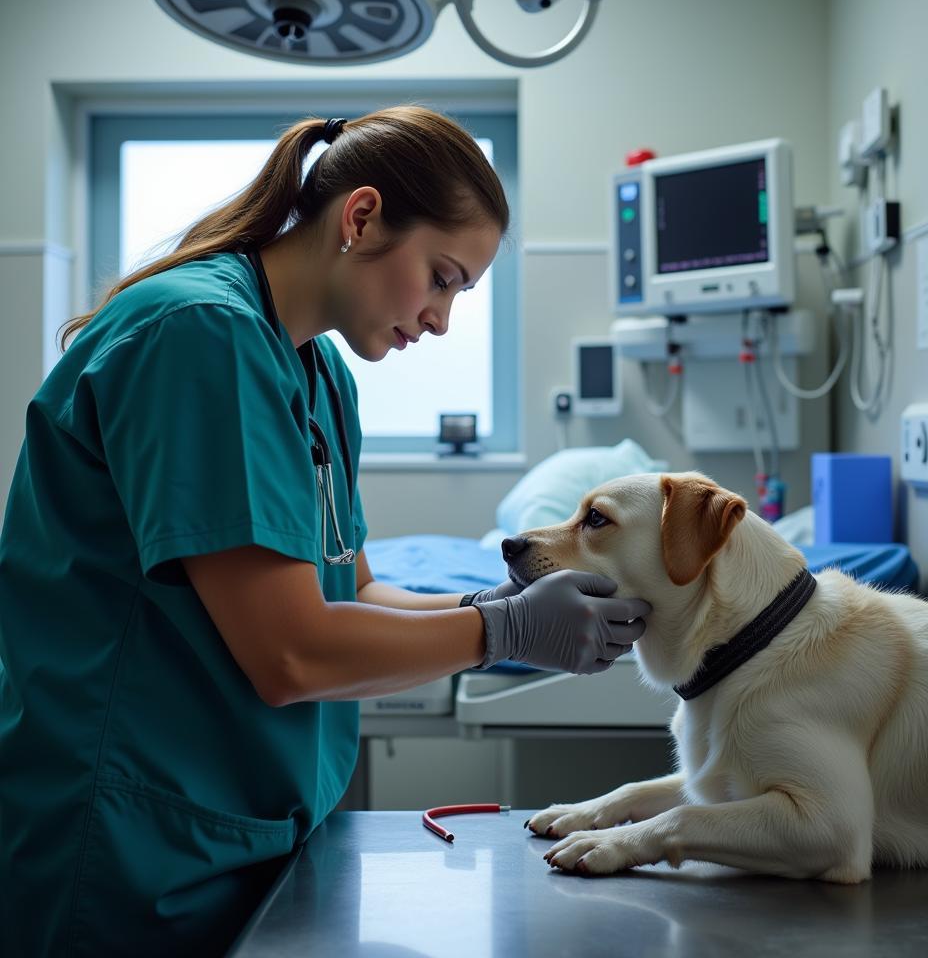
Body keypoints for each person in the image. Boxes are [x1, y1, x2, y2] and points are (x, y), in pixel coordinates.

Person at [0, 106, 649, 957]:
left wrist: (491, 603)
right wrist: (504, 630)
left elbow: (357, 591)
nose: (444, 319)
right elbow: (293, 654)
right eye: (444, 277)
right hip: (129, 833)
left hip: (240, 827)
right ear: (362, 217)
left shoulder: (318, 369)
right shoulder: (201, 334)